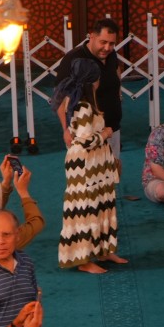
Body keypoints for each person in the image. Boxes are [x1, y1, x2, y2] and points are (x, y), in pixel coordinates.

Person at [55, 59, 125, 275]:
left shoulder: (82, 101)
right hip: (85, 165)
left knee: (103, 205)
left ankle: (103, 251)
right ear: (92, 80)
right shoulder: (83, 106)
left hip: (97, 164)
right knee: (85, 210)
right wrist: (105, 133)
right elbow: (85, 140)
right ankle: (82, 259)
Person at [54, 18, 122, 162]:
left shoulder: (112, 55)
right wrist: (65, 129)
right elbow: (60, 97)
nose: (107, 48)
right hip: (85, 132)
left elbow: (116, 71)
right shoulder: (73, 58)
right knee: (88, 179)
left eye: (112, 43)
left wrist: (118, 93)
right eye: (103, 42)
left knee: (114, 172)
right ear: (91, 36)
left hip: (112, 128)